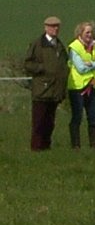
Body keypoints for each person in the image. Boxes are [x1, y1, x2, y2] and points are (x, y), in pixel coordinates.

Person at [24, 16, 68, 151]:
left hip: (55, 90)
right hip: (42, 90)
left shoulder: (59, 45)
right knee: (39, 122)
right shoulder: (38, 44)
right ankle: (36, 148)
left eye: (57, 26)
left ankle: (46, 147)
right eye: (53, 26)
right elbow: (27, 64)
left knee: (50, 122)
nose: (55, 29)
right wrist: (42, 68)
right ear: (46, 27)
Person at [68, 21, 95, 149]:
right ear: (80, 33)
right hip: (77, 88)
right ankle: (76, 146)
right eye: (87, 32)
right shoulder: (74, 47)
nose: (90, 35)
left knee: (93, 117)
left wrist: (90, 63)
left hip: (92, 86)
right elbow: (80, 68)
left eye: (91, 32)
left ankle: (94, 146)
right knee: (77, 117)